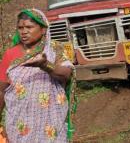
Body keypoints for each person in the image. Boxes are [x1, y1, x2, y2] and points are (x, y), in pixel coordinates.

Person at [0, 9, 76, 143]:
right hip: (18, 125)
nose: (24, 31)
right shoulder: (10, 54)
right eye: (20, 28)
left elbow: (65, 74)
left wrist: (45, 65)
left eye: (29, 27)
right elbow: (1, 90)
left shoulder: (54, 49)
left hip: (51, 124)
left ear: (43, 29)